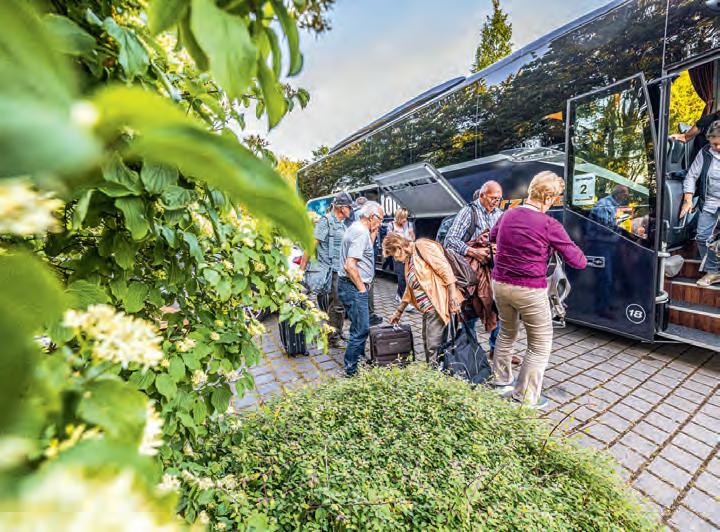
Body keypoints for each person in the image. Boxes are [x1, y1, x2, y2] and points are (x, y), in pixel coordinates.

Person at [490, 171, 587, 409]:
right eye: (556, 197)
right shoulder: (549, 224)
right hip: (529, 289)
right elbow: (578, 261)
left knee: (506, 333)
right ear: (549, 197)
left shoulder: (507, 214)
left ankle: (501, 381)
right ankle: (524, 397)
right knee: (540, 343)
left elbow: (493, 236)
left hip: (500, 284)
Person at [444, 180, 503, 356]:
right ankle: (472, 351)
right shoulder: (468, 212)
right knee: (470, 311)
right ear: (482, 195)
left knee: (497, 308)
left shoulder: (500, 214)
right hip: (471, 272)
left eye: (499, 198)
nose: (496, 202)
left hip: (493, 270)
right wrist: (474, 251)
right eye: (493, 198)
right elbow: (450, 240)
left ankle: (496, 349)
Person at [384, 234, 463, 361]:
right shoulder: (409, 259)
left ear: (399, 248)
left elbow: (446, 270)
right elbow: (409, 288)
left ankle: (436, 372)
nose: (395, 259)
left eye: (394, 255)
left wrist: (453, 298)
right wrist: (398, 312)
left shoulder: (423, 246)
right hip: (427, 310)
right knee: (427, 344)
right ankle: (432, 370)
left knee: (433, 347)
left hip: (436, 306)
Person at [337, 201, 385, 376]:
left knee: (357, 325)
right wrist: (362, 289)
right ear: (372, 217)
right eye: (380, 219)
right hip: (353, 287)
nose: (381, 223)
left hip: (348, 285)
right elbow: (350, 265)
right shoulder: (360, 233)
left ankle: (358, 359)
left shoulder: (357, 228)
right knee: (362, 329)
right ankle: (351, 369)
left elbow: (364, 252)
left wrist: (373, 233)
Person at [300, 192, 353, 347]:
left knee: (338, 304)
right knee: (337, 304)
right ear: (342, 208)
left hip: (339, 269)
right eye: (349, 207)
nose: (351, 210)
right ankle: (332, 338)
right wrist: (300, 271)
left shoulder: (341, 223)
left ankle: (336, 332)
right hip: (330, 270)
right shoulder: (326, 221)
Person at [680, 121, 720, 287]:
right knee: (703, 237)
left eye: (719, 143)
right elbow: (691, 176)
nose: (717, 147)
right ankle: (713, 271)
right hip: (710, 202)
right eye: (714, 144)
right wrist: (688, 200)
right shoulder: (705, 153)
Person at [388, 208, 416, 302]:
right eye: (402, 217)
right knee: (402, 277)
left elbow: (413, 239)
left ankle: (399, 294)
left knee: (407, 276)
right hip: (398, 254)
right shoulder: (391, 225)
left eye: (406, 217)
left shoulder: (409, 224)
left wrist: (412, 234)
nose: (405, 220)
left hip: (407, 254)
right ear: (398, 217)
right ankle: (402, 298)